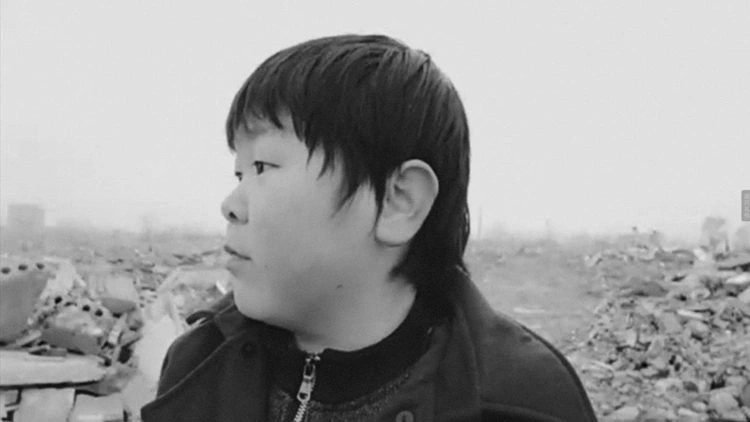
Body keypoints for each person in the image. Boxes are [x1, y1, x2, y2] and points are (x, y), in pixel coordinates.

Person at [141, 34, 597, 422]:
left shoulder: (518, 402)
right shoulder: (198, 366)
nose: (230, 205)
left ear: (398, 202)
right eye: (238, 173)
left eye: (262, 166)